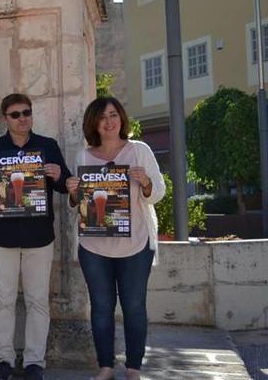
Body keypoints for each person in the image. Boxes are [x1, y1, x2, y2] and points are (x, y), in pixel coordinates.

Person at [65, 97, 165, 380]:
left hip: (136, 246)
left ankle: (133, 367)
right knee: (101, 307)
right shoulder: (83, 156)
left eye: (113, 115)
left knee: (134, 306)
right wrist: (74, 191)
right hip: (94, 246)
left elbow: (158, 192)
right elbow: (78, 202)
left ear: (121, 118)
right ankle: (105, 366)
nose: (109, 122)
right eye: (102, 117)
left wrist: (145, 182)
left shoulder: (139, 151)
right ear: (93, 123)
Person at [0, 94, 71, 380]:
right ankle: (3, 360)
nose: (22, 118)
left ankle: (34, 364)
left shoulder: (48, 146)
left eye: (26, 113)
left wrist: (58, 176)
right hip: (1, 236)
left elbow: (67, 187)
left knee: (38, 301)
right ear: (5, 118)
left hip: (39, 236)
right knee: (2, 300)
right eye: (15, 114)